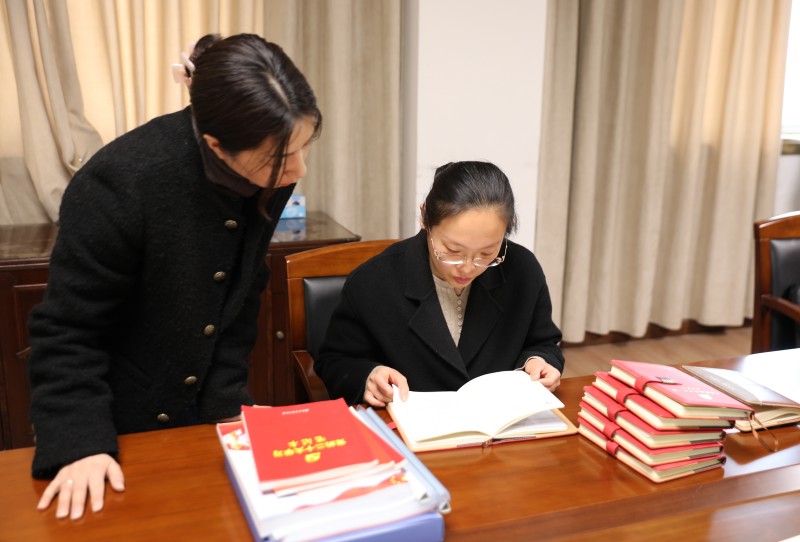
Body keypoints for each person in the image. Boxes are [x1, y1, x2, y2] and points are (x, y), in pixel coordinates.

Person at [27, 33, 322, 520]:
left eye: (305, 147)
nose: (298, 170)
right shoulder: (121, 181)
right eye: (280, 159)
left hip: (206, 414)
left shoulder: (270, 173)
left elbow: (238, 299)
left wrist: (228, 407)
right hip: (117, 418)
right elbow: (68, 331)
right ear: (215, 145)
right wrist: (81, 443)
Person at [315, 161, 564, 408]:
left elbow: (543, 343)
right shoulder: (374, 281)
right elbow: (334, 362)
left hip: (499, 420)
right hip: (408, 425)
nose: (468, 267)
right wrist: (368, 376)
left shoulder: (522, 270)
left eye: (486, 253)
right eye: (453, 251)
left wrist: (539, 361)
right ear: (425, 218)